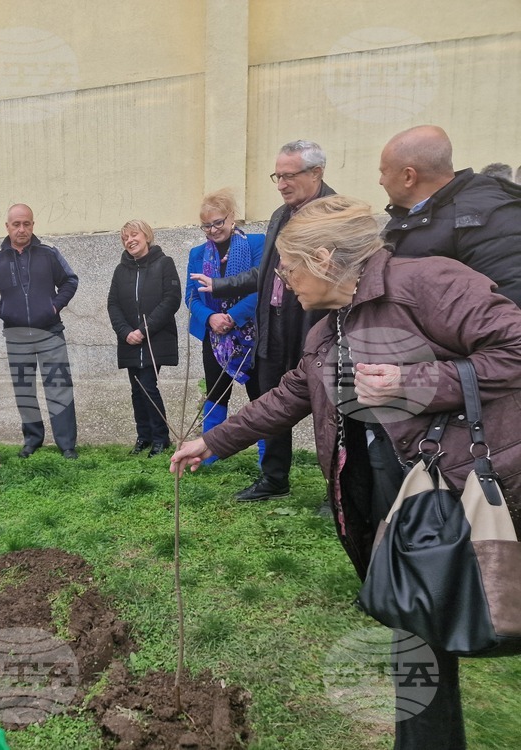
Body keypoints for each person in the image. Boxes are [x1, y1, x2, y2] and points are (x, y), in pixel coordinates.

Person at [172, 194, 521, 750]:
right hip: (400, 494)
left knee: (499, 605)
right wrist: (212, 441)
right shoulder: (328, 326)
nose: (282, 282)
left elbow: (514, 347)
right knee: (417, 624)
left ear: (325, 258)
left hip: (473, 485)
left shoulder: (428, 283)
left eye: (286, 267)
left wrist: (416, 382)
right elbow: (291, 394)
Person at [191, 140, 334, 501]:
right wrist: (221, 285)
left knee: (329, 410)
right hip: (271, 329)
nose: (282, 184)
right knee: (272, 404)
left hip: (311, 326)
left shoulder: (334, 214)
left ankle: (338, 489)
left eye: (289, 176)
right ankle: (274, 479)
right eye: (278, 176)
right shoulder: (280, 216)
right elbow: (265, 273)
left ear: (316, 172)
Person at [378, 125, 521, 305]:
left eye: (383, 172)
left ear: (409, 176)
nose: (380, 181)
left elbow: (508, 305)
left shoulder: (490, 218)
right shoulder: (411, 211)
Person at [0, 203, 80, 459]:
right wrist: (2, 311)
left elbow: (70, 280)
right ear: (7, 227)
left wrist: (54, 307)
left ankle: (66, 444)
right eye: (16, 224)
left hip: (50, 332)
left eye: (26, 224)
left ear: (33, 225)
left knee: (59, 387)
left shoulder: (48, 253)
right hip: (16, 335)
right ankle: (32, 439)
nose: (21, 229)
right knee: (24, 390)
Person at [185, 190, 264, 464]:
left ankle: (267, 458)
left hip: (251, 335)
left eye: (218, 222)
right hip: (214, 337)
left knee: (260, 396)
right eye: (206, 225)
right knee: (216, 393)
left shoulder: (256, 243)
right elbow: (191, 296)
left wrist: (232, 316)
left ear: (232, 218)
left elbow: (261, 287)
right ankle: (207, 457)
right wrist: (210, 318)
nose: (213, 230)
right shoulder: (197, 254)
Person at [106, 219, 180, 457]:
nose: (130, 240)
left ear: (147, 236)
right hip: (129, 340)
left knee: (148, 385)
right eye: (125, 237)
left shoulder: (164, 264)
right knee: (136, 388)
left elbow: (171, 300)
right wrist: (125, 331)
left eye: (134, 235)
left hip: (153, 338)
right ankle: (144, 436)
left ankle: (161, 438)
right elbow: (113, 304)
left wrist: (142, 330)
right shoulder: (120, 270)